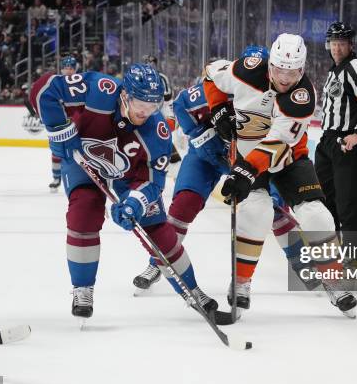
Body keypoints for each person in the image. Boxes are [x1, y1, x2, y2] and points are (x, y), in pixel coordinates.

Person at [29, 64, 219, 322]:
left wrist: (135, 203)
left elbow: (153, 181)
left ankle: (192, 290)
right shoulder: (98, 88)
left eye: (152, 106)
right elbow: (44, 89)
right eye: (140, 103)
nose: (145, 112)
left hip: (128, 175)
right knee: (83, 212)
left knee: (158, 231)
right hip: (82, 160)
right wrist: (59, 128)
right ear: (125, 95)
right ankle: (83, 289)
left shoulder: (157, 132)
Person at [132, 46, 321, 303]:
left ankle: (300, 261)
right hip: (207, 157)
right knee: (184, 204)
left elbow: (282, 137)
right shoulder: (229, 81)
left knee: (272, 207)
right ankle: (158, 262)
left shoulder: (275, 97)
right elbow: (181, 104)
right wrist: (207, 136)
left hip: (246, 159)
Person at [204, 33, 357, 318]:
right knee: (256, 211)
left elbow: (276, 144)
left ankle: (333, 279)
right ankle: (240, 283)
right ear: (269, 64)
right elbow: (211, 74)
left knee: (317, 215)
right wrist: (217, 110)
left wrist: (244, 173)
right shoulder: (246, 69)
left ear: (303, 70)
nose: (285, 79)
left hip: (287, 158)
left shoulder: (303, 97)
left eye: (293, 72)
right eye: (279, 70)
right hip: (249, 154)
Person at [314, 21, 357, 262]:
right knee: (325, 201)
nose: (337, 48)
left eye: (342, 43)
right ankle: (333, 251)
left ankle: (351, 255)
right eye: (333, 43)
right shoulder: (335, 70)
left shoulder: (355, 68)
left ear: (350, 45)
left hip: (347, 145)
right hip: (327, 143)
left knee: (347, 205)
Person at [48, 55, 80, 193]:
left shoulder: (80, 83)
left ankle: (78, 179)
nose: (68, 71)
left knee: (79, 153)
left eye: (71, 68)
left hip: (77, 123)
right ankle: (56, 179)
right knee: (57, 152)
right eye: (66, 68)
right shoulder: (55, 83)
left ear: (75, 70)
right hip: (61, 123)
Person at [143, 54, 181, 163]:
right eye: (148, 62)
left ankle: (171, 156)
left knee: (162, 130)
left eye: (152, 62)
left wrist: (153, 94)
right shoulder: (141, 77)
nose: (150, 65)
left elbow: (168, 95)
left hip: (165, 108)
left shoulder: (162, 77)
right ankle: (164, 155)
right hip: (151, 109)